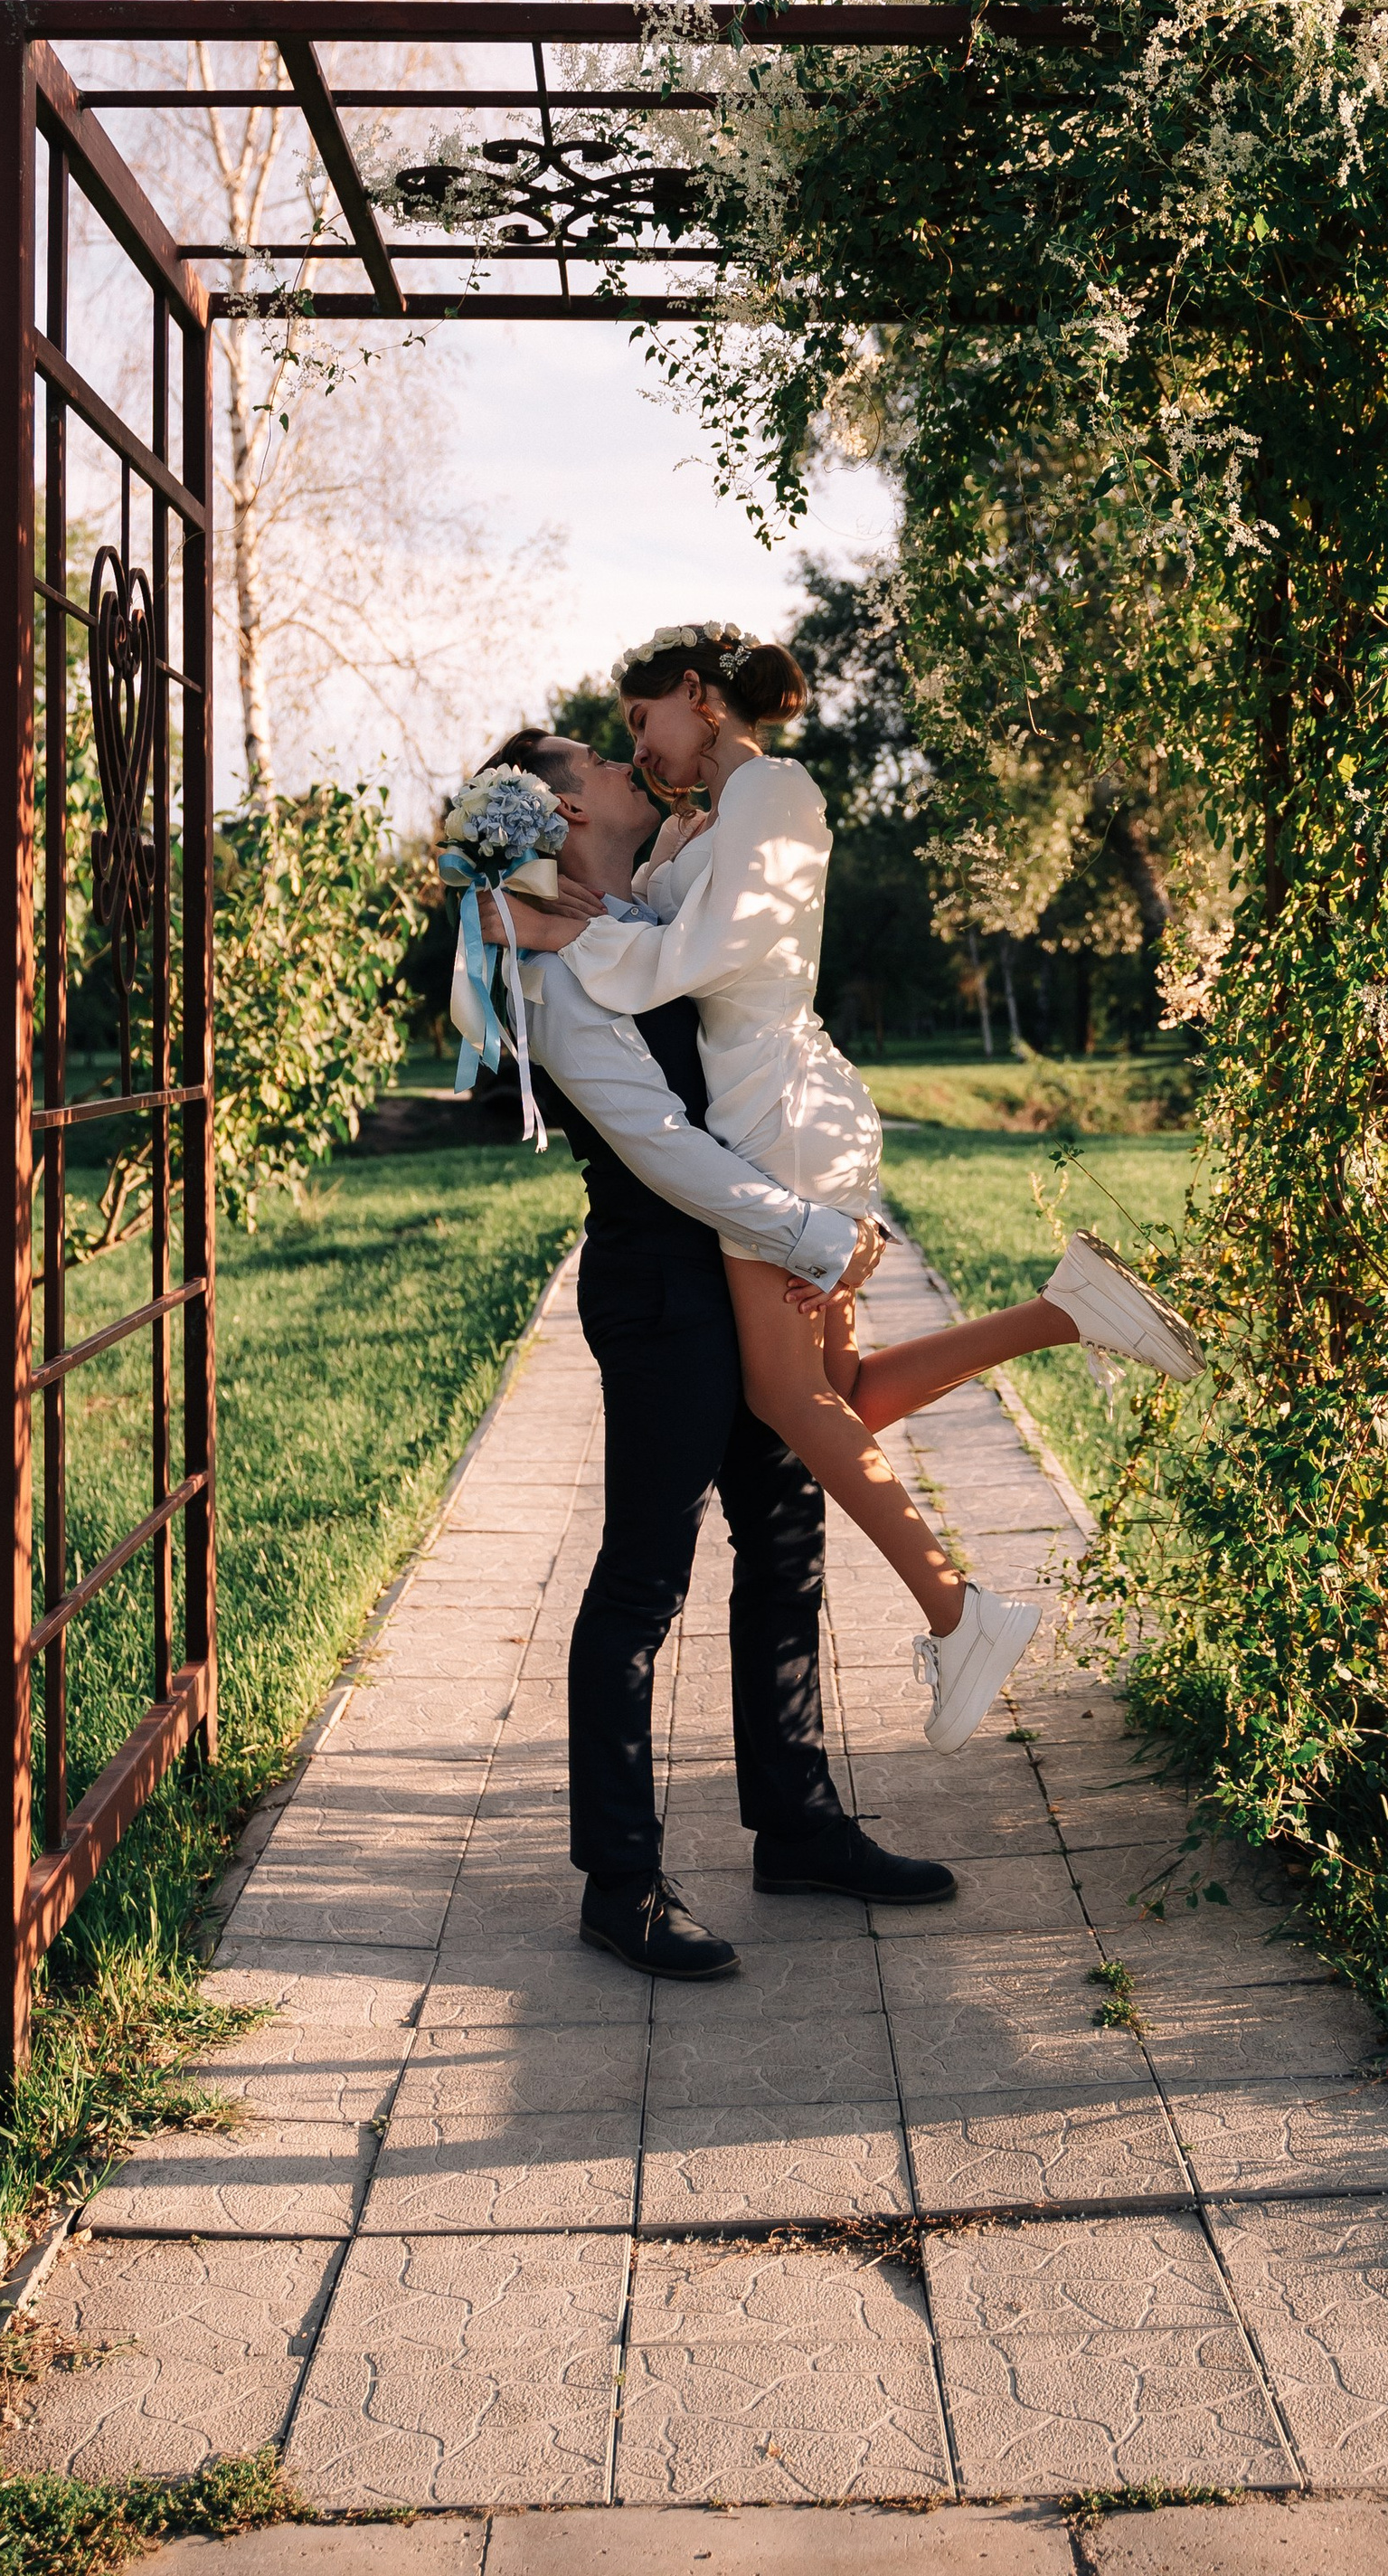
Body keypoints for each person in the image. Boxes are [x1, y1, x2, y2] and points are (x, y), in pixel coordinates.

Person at [507, 628, 1204, 1763]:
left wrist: (555, 942)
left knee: (793, 1407)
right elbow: (641, 907)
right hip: (773, 1109)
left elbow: (696, 952)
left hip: (773, 1116)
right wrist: (513, 911)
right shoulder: (707, 818)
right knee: (838, 1395)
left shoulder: (774, 790)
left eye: (640, 722)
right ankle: (1066, 1311)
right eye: (615, 743)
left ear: (696, 694)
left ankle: (960, 1613)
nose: (634, 751)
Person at [480, 724, 959, 1984]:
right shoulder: (556, 970)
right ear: (561, 810)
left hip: (733, 1273)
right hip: (663, 1289)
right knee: (645, 1575)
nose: (624, 761)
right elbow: (661, 1147)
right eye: (598, 758)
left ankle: (796, 1822)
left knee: (785, 1537)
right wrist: (806, 1229)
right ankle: (620, 1880)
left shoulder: (618, 910)